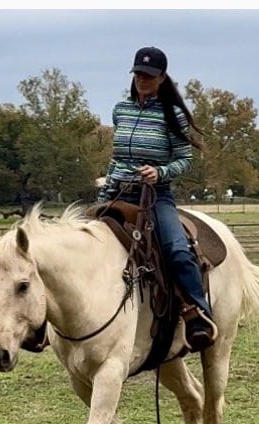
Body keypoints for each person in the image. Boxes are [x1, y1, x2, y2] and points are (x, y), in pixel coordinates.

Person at [98, 46, 217, 352]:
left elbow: (184, 159)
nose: (142, 79)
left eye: (149, 75)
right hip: (118, 191)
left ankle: (198, 313)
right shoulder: (120, 109)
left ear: (162, 78)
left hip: (155, 196)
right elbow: (115, 159)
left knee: (177, 249)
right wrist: (102, 196)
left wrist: (160, 171)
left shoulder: (171, 114)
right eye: (138, 73)